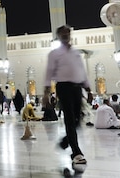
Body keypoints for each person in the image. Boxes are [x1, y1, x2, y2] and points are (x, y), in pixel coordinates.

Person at [44, 25, 90, 165]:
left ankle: (65, 141)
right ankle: (76, 152)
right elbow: (49, 73)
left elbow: (81, 70)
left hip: (77, 88)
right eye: (62, 33)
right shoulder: (54, 54)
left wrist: (88, 89)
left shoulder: (75, 53)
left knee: (78, 119)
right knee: (70, 119)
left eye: (67, 33)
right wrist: (46, 93)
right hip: (63, 88)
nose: (65, 35)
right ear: (58, 36)